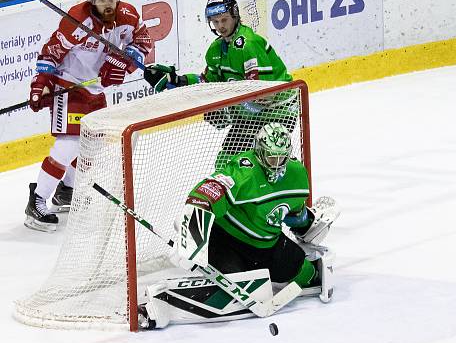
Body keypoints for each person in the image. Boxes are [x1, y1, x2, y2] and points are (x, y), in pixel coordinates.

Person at [138, 123, 337, 328]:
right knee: (241, 284)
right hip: (226, 240)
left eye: (281, 157)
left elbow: (292, 211)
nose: (276, 164)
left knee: (306, 274)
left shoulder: (297, 175)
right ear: (259, 152)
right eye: (271, 157)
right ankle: (156, 309)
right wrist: (192, 236)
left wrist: (307, 225)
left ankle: (305, 269)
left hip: (268, 244)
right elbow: (205, 193)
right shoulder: (243, 171)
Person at [25, 0, 152, 232]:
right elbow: (51, 52)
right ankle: (37, 200)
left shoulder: (128, 17)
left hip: (95, 90)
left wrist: (123, 60)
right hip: (69, 85)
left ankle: (66, 191)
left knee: (91, 148)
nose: (108, 4)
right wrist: (41, 84)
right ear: (91, 0)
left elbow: (143, 42)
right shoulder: (77, 20)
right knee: (68, 146)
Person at [142, 0, 295, 169]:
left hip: (279, 111)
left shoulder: (248, 44)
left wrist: (227, 111)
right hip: (252, 116)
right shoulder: (215, 50)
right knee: (225, 164)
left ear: (235, 15)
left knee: (262, 160)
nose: (220, 26)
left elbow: (263, 97)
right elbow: (208, 83)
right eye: (215, 21)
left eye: (224, 20)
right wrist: (177, 80)